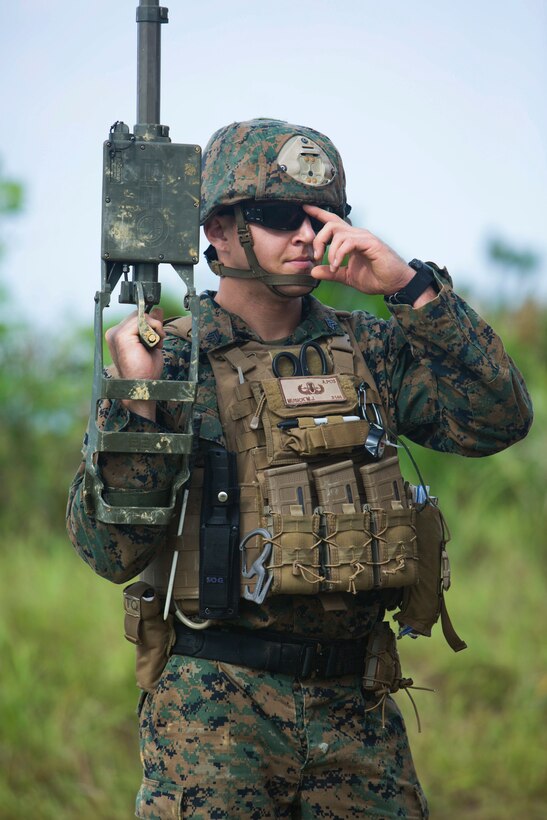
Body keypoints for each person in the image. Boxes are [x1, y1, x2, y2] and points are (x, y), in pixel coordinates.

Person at [67, 118, 532, 819]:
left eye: (324, 217)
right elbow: (108, 551)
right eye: (280, 216)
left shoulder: (371, 347)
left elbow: (497, 420)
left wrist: (409, 290)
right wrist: (138, 399)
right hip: (215, 710)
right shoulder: (170, 362)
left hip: (358, 705)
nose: (307, 235)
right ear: (218, 230)